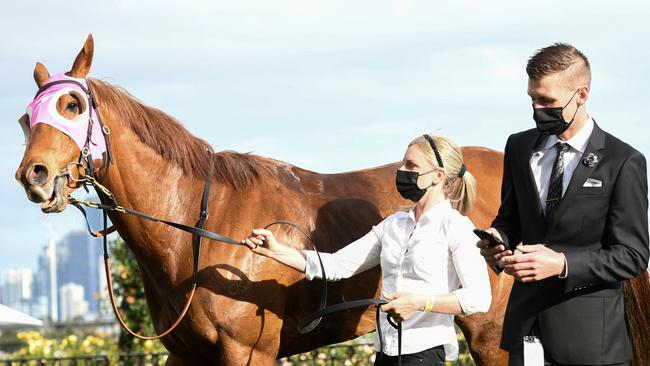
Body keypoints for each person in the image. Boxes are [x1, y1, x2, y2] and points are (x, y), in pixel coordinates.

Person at [242, 134, 491, 365]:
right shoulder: (394, 224)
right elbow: (338, 265)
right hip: (385, 353)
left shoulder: (456, 227)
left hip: (424, 354)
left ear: (437, 176)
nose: (401, 171)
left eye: (411, 166)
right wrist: (276, 250)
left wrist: (419, 302)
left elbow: (479, 298)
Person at [477, 43, 649, 366]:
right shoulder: (518, 147)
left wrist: (563, 264)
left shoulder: (623, 161)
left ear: (581, 95)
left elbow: (633, 256)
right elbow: (510, 219)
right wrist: (499, 241)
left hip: (591, 346)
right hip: (526, 332)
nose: (537, 108)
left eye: (547, 101)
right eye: (532, 99)